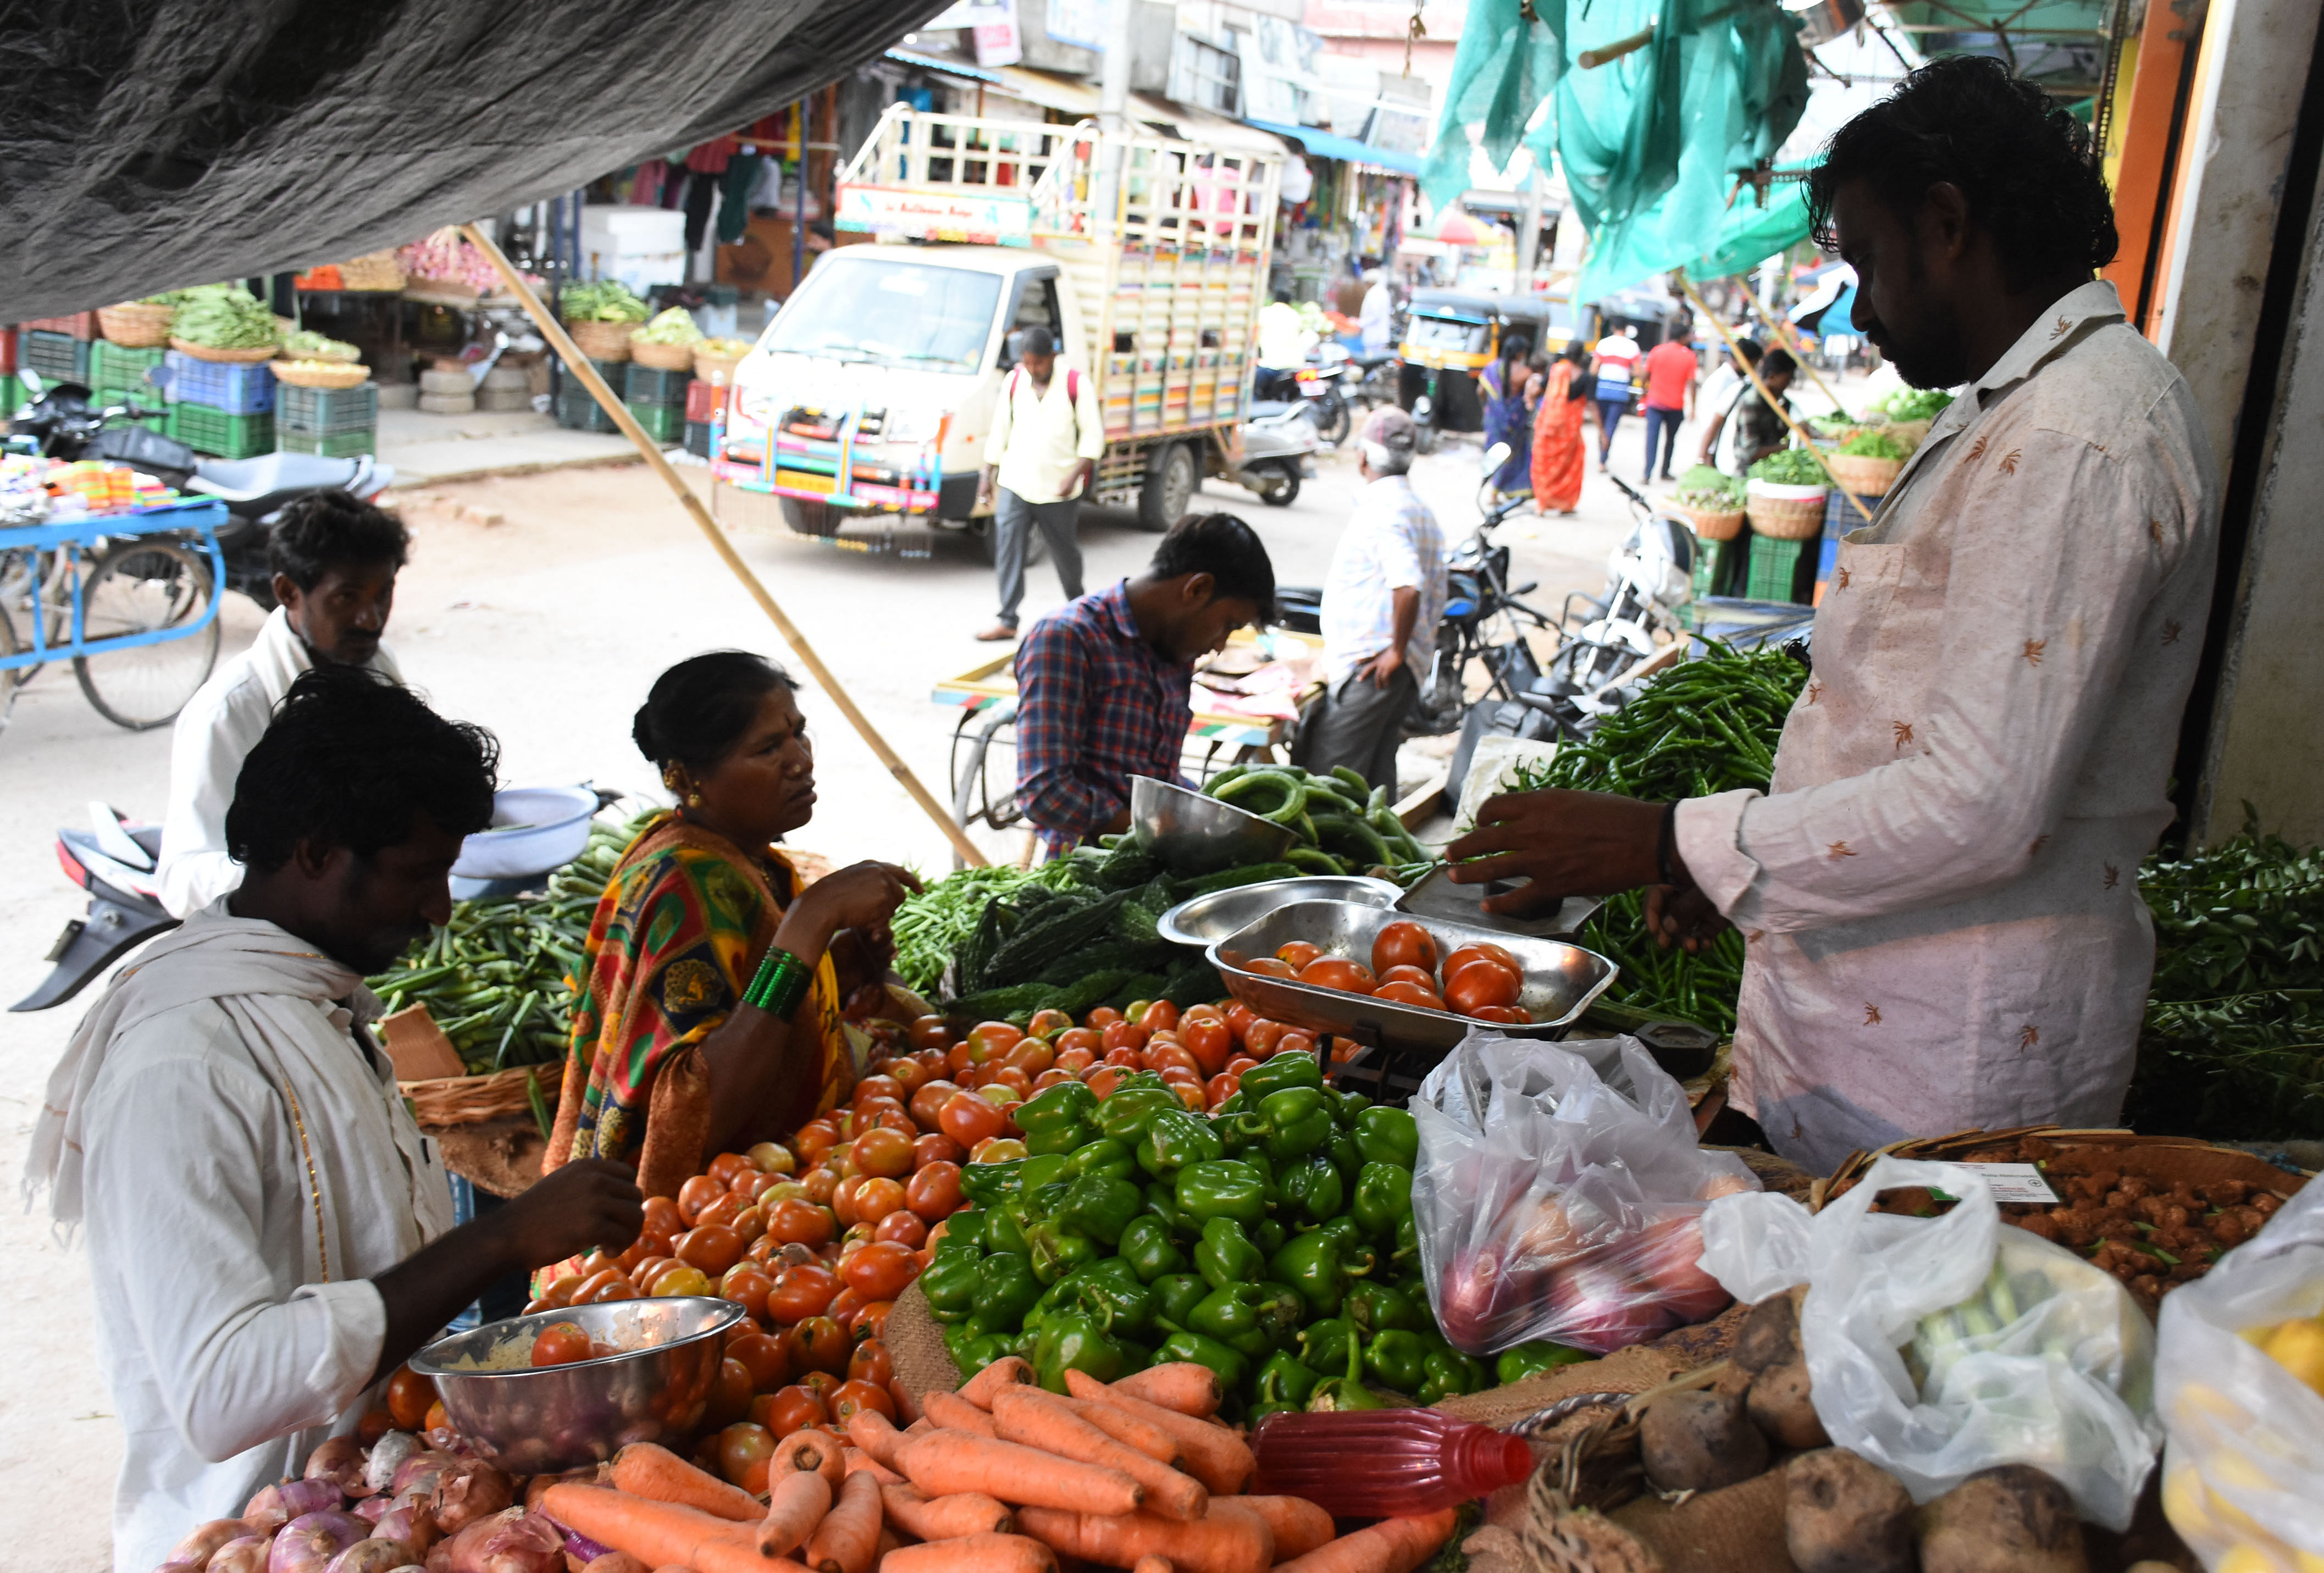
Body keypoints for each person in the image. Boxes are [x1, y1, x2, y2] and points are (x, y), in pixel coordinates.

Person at [1441, 56, 2220, 1172]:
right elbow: (1915, 729)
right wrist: (1730, 875)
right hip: (1881, 1032)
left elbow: (1981, 802)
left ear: (1945, 223)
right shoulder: (2029, 407)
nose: (1858, 305)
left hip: (1943, 1073)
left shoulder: (2069, 439)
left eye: (1865, 260)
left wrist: (1667, 837)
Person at [29, 666, 645, 1573]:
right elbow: (225, 1390)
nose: (439, 909)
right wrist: (501, 1239)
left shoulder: (314, 1005)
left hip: (383, 1509)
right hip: (250, 1536)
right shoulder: (185, 1060)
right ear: (314, 852)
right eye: (418, 874)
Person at [547, 652, 920, 1196]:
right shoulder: (684, 883)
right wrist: (810, 923)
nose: (800, 761)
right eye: (768, 748)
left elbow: (738, 1002)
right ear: (686, 776)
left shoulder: (747, 860)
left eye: (798, 734)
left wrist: (843, 963)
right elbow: (694, 1112)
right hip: (669, 1224)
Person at [157, 491, 408, 917]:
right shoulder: (230, 712)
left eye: (383, 594)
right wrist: (312, 877)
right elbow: (183, 879)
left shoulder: (375, 667)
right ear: (288, 591)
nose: (371, 619)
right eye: (347, 598)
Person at [1014, 514, 1277, 854]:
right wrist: (1166, 834)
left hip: (1157, 861)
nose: (1220, 645)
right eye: (1228, 624)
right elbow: (1045, 793)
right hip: (1088, 873)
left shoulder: (1174, 648)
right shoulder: (1068, 638)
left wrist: (1211, 816)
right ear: (1197, 589)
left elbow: (1159, 775)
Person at [1296, 407, 1448, 791]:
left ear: (1362, 457)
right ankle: (1383, 854)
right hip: (1397, 671)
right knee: (1376, 783)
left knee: (1330, 784)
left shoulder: (1384, 510)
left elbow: (1408, 584)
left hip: (1374, 670)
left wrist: (1395, 649)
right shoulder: (1419, 509)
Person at [975, 325, 1104, 643]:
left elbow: (1093, 438)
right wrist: (986, 476)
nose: (1033, 369)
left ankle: (1079, 612)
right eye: (1028, 363)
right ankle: (1007, 618)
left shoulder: (1076, 385)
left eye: (1039, 364)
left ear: (1053, 357)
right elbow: (1000, 430)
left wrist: (1073, 476)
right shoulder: (1015, 381)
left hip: (1058, 489)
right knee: (1008, 550)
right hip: (1016, 484)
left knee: (1065, 554)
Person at [1530, 339, 1591, 513]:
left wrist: (1531, 397)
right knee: (1569, 466)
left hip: (1548, 426)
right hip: (1569, 429)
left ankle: (1542, 503)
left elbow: (1539, 390)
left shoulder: (1555, 371)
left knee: (1543, 463)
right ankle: (1564, 504)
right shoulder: (1584, 376)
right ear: (1581, 356)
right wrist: (1602, 432)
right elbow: (1592, 405)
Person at [1638, 319, 1700, 484]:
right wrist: (1693, 407)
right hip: (1675, 406)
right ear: (1684, 337)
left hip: (1655, 404)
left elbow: (1645, 376)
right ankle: (1665, 472)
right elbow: (1692, 384)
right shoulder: (1689, 356)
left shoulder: (1657, 351)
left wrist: (1644, 394)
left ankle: (1647, 474)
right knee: (1670, 440)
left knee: (1652, 440)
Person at [1692, 337, 1765, 473]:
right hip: (1715, 450)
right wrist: (1705, 457)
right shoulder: (1720, 381)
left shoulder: (1742, 379)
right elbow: (1711, 423)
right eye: (1753, 364)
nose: (1754, 369)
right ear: (1744, 360)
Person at [1726, 348, 1797, 475]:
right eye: (1787, 380)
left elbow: (1776, 434)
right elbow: (1751, 452)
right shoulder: (1752, 403)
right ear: (1772, 376)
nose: (1788, 384)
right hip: (1748, 473)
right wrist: (1789, 446)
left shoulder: (1778, 401)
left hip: (1766, 468)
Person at [1478, 335, 1534, 494]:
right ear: (1520, 353)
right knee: (1513, 454)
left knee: (1495, 452)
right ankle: (1505, 489)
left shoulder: (1491, 368)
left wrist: (1490, 407)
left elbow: (1481, 391)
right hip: (1515, 420)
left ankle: (1493, 488)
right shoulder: (1525, 372)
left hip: (1495, 419)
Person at [1358, 269, 1394, 356]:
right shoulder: (1383, 292)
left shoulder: (1375, 293)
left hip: (1374, 336)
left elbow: (1375, 315)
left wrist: (1359, 324)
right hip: (1379, 336)